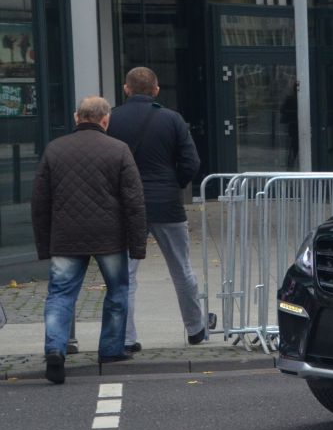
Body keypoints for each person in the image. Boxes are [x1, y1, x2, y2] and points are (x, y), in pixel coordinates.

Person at [31, 96, 147, 384]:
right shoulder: (119, 150)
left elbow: (40, 202)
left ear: (76, 118)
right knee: (118, 292)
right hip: (109, 236)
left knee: (60, 295)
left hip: (65, 236)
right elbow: (134, 201)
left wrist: (44, 243)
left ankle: (55, 350)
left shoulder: (54, 150)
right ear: (105, 120)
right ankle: (110, 350)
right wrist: (137, 244)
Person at [106, 66, 206, 352]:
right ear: (156, 90)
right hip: (166, 203)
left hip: (126, 204)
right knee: (181, 268)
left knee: (126, 273)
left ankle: (126, 337)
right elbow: (191, 163)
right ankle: (196, 328)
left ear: (126, 89)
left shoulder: (112, 119)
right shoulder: (172, 119)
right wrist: (174, 184)